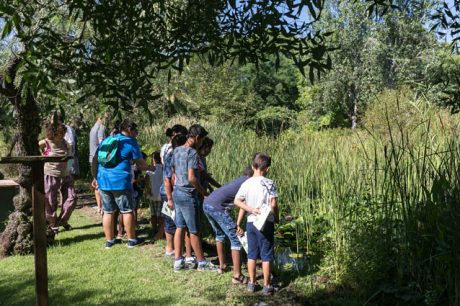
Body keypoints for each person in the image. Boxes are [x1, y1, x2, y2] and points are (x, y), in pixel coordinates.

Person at [93, 119, 154, 249]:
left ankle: (109, 241)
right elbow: (141, 165)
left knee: (108, 211)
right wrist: (153, 168)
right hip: (120, 181)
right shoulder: (131, 142)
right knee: (127, 210)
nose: (137, 133)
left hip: (103, 180)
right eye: (136, 131)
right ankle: (132, 240)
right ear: (130, 130)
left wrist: (95, 177)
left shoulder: (107, 140)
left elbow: (95, 159)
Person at [172, 124, 217, 272]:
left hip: (177, 192)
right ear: (197, 137)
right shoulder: (192, 153)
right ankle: (202, 262)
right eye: (202, 139)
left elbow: (174, 172)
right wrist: (204, 192)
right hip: (187, 194)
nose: (201, 142)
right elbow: (192, 178)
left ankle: (178, 261)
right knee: (194, 230)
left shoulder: (177, 150)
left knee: (180, 227)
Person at [234, 152, 279, 295]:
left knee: (251, 254)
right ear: (267, 168)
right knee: (266, 254)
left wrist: (251, 209)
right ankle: (266, 285)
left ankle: (252, 283)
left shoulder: (246, 183)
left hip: (251, 222)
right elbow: (273, 204)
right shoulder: (270, 182)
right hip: (266, 222)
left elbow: (237, 201)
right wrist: (276, 218)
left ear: (253, 166)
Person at [203, 167, 253, 282]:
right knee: (235, 238)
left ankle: (222, 266)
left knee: (219, 235)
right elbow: (242, 206)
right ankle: (237, 276)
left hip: (207, 204)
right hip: (217, 207)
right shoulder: (248, 183)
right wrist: (237, 225)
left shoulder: (239, 180)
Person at [39, 121, 77, 233]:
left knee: (72, 198)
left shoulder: (65, 143)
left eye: (64, 132)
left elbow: (70, 157)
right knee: (50, 202)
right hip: (51, 174)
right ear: (53, 133)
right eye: (60, 133)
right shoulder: (45, 142)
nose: (63, 135)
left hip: (66, 175)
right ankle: (52, 224)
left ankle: (62, 220)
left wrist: (70, 171)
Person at [160, 134, 194, 258]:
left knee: (179, 223)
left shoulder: (178, 156)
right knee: (171, 222)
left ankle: (182, 249)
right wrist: (169, 198)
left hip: (174, 192)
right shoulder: (172, 157)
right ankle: (170, 248)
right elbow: (167, 179)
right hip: (169, 193)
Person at [89, 114, 107, 214]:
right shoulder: (101, 127)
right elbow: (102, 142)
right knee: (100, 183)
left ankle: (99, 206)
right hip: (99, 159)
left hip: (92, 158)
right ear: (101, 118)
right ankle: (103, 207)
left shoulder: (93, 128)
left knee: (96, 182)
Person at [145, 151, 164, 239]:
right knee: (160, 214)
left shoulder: (150, 169)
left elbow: (147, 181)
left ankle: (154, 229)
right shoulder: (164, 169)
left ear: (154, 159)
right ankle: (161, 230)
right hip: (161, 195)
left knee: (153, 213)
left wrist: (148, 190)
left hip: (152, 194)